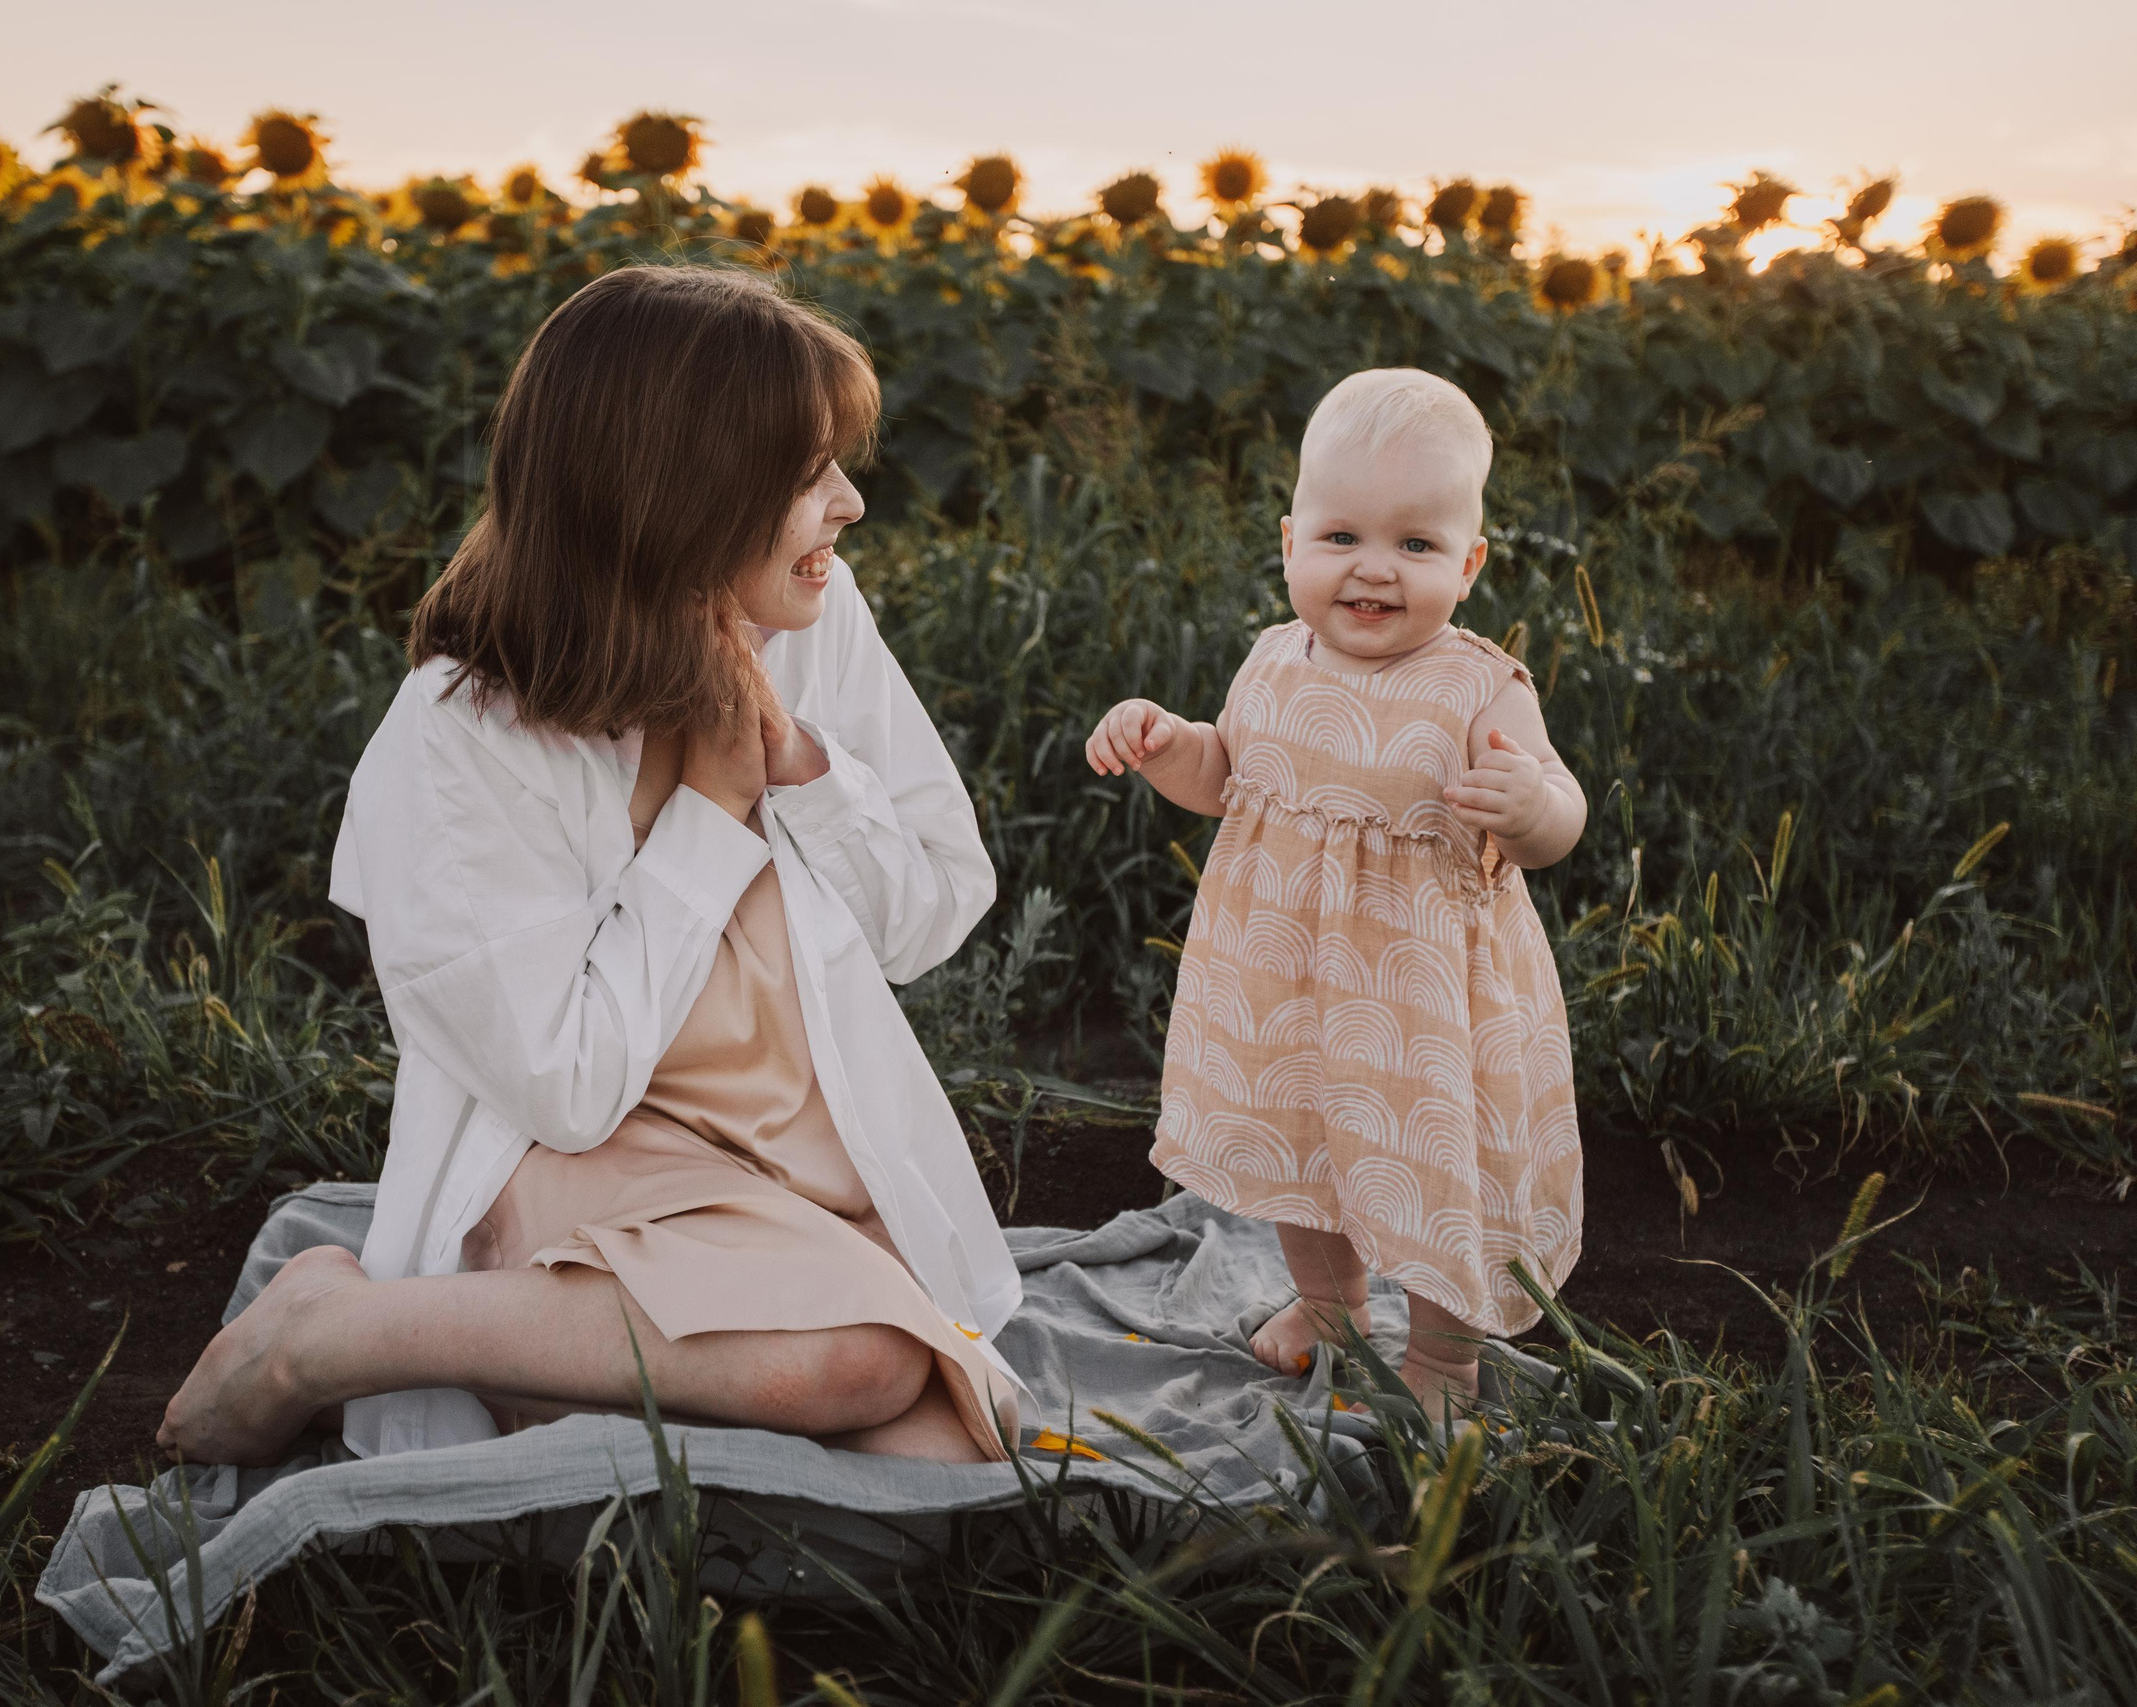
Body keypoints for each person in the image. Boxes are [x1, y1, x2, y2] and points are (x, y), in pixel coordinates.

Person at [157, 264, 1023, 1468]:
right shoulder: (458, 739)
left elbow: (932, 910)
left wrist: (806, 770)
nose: (847, 507)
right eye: (805, 474)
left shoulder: (806, 624)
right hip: (589, 1173)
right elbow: (566, 1090)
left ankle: (450, 1351)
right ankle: (330, 1336)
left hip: (798, 1161)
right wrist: (711, 823)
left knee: (941, 1468)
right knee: (858, 1363)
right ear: (679, 496)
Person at [1083, 367, 1585, 1423]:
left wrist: (1528, 806)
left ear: (1470, 564)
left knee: (1435, 1167)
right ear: (1288, 542)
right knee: (1299, 1148)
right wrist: (1169, 743)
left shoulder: (1477, 686)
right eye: (1342, 537)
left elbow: (1561, 817)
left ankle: (1443, 1356)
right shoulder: (1273, 662)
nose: (1373, 571)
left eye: (1414, 546)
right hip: (1285, 984)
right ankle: (1331, 1305)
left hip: (1424, 1009)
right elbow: (1227, 779)